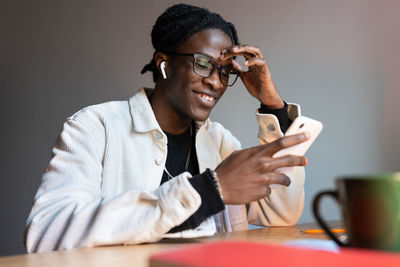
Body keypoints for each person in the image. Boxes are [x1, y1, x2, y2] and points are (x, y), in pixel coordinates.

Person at [24, 3, 309, 253]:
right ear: (164, 64)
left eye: (224, 71)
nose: (216, 82)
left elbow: (281, 213)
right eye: (203, 63)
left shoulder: (219, 141)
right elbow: (47, 232)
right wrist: (208, 190)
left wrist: (273, 105)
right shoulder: (95, 127)